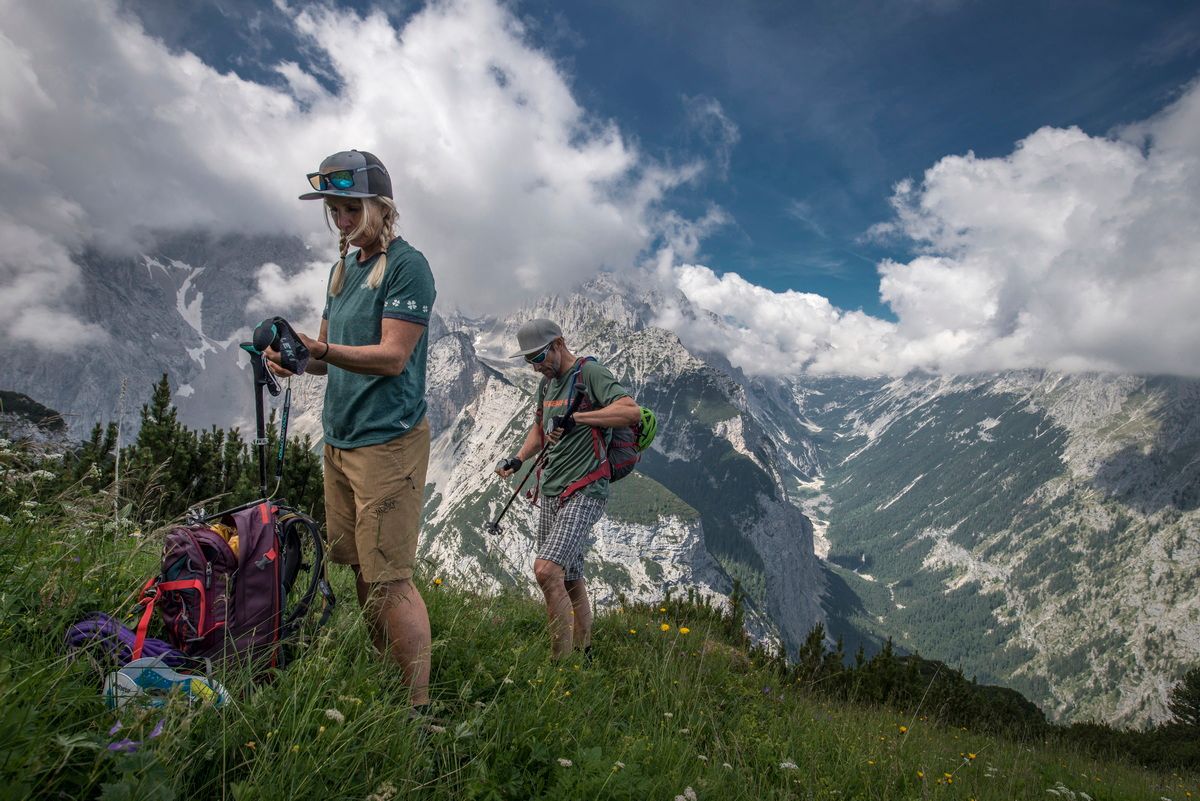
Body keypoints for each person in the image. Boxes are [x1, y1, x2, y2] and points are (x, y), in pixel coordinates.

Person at [267, 149, 436, 710]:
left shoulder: (409, 266)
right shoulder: (342, 269)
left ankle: (414, 711)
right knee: (362, 567)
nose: (339, 219)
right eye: (332, 209)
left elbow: (391, 356)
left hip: (387, 441)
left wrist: (321, 349)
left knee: (391, 579)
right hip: (340, 440)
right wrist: (294, 357)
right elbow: (325, 356)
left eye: (348, 207)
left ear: (378, 207)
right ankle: (386, 676)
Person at [495, 319, 641, 660]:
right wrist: (517, 460)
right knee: (571, 577)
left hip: (586, 487)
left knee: (546, 571)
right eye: (528, 360)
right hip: (550, 490)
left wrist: (579, 419)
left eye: (540, 356)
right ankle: (584, 652)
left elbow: (629, 410)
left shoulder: (589, 373)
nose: (535, 366)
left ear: (559, 344)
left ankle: (558, 664)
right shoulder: (547, 386)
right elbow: (540, 429)